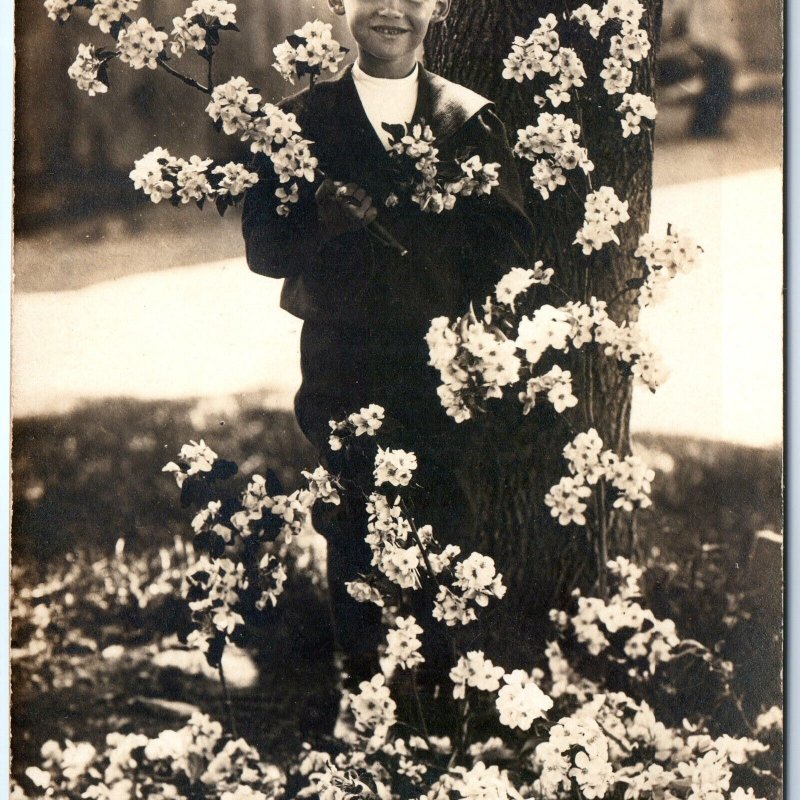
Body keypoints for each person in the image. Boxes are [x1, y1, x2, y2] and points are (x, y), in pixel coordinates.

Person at [242, 0, 534, 713]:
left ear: (438, 7)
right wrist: (322, 219)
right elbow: (263, 247)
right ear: (340, 4)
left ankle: (440, 692)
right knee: (348, 514)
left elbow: (514, 246)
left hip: (440, 361)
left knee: (448, 508)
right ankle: (365, 688)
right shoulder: (301, 124)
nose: (392, 9)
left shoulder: (467, 118)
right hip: (342, 354)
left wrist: (460, 246)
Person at [658, 0, 741, 138]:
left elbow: (701, 36)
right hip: (644, 57)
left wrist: (686, 47)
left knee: (722, 59)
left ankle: (705, 125)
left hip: (675, 55)